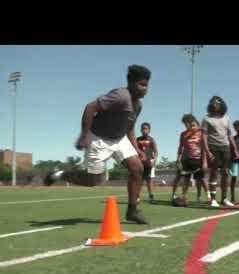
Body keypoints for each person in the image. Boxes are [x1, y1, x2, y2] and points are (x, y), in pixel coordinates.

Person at [44, 65, 151, 224]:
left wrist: (136, 148)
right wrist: (84, 135)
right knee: (93, 181)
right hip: (99, 139)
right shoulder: (120, 96)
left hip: (119, 139)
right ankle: (60, 175)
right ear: (130, 82)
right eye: (142, 85)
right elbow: (90, 107)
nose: (145, 89)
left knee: (137, 169)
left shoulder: (139, 105)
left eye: (147, 85)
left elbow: (129, 127)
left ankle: (132, 210)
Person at [201, 96, 239, 208]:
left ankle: (224, 199)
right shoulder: (206, 119)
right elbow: (204, 136)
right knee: (213, 173)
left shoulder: (226, 118)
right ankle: (213, 199)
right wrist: (208, 151)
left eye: (217, 102)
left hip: (225, 148)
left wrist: (235, 149)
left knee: (226, 173)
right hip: (213, 148)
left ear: (221, 104)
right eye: (213, 102)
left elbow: (230, 134)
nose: (215, 104)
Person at [174, 115, 209, 207]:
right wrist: (178, 159)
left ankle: (210, 197)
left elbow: (204, 148)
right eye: (185, 124)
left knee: (202, 179)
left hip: (198, 159)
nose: (188, 126)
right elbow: (180, 147)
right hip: (186, 160)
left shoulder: (201, 133)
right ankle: (183, 197)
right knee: (186, 179)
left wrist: (204, 161)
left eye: (190, 123)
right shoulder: (183, 134)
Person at [136, 122, 158, 204]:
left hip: (150, 162)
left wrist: (155, 160)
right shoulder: (138, 139)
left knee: (149, 180)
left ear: (149, 130)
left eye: (146, 128)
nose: (144, 130)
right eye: (142, 128)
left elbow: (156, 151)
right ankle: (137, 197)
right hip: (140, 163)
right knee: (140, 180)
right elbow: (135, 150)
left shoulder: (152, 139)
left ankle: (151, 196)